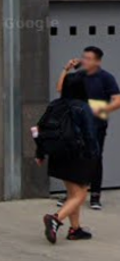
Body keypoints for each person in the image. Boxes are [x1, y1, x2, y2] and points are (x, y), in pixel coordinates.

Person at [37, 72, 101, 244]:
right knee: (80, 195)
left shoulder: (55, 104)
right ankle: (55, 219)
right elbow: (89, 134)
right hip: (78, 155)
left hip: (59, 154)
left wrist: (40, 153)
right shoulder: (82, 107)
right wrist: (94, 156)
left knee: (73, 194)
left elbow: (40, 128)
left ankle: (75, 229)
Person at [56, 46, 120, 209]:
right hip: (77, 124)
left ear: (97, 61)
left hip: (96, 125)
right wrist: (66, 69)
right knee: (75, 158)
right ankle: (72, 194)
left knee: (95, 159)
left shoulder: (106, 78)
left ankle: (95, 196)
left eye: (89, 58)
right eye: (83, 57)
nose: (84, 61)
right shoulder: (78, 76)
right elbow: (60, 89)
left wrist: (102, 109)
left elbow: (117, 100)